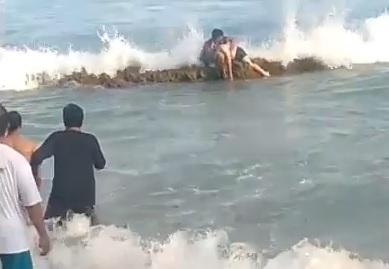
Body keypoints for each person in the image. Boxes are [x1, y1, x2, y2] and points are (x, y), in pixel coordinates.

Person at [30, 103, 106, 226]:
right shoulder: (90, 140)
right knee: (90, 231)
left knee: (49, 229)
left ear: (64, 120)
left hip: (61, 197)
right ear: (82, 121)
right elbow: (101, 164)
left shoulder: (57, 138)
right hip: (85, 197)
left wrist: (35, 179)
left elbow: (36, 157)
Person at [0, 109, 50, 269]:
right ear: (7, 128)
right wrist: (43, 234)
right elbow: (32, 203)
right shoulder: (16, 160)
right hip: (12, 240)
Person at [3, 111, 42, 189]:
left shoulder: (2, 145)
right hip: (25, 189)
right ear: (20, 125)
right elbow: (37, 177)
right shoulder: (30, 147)